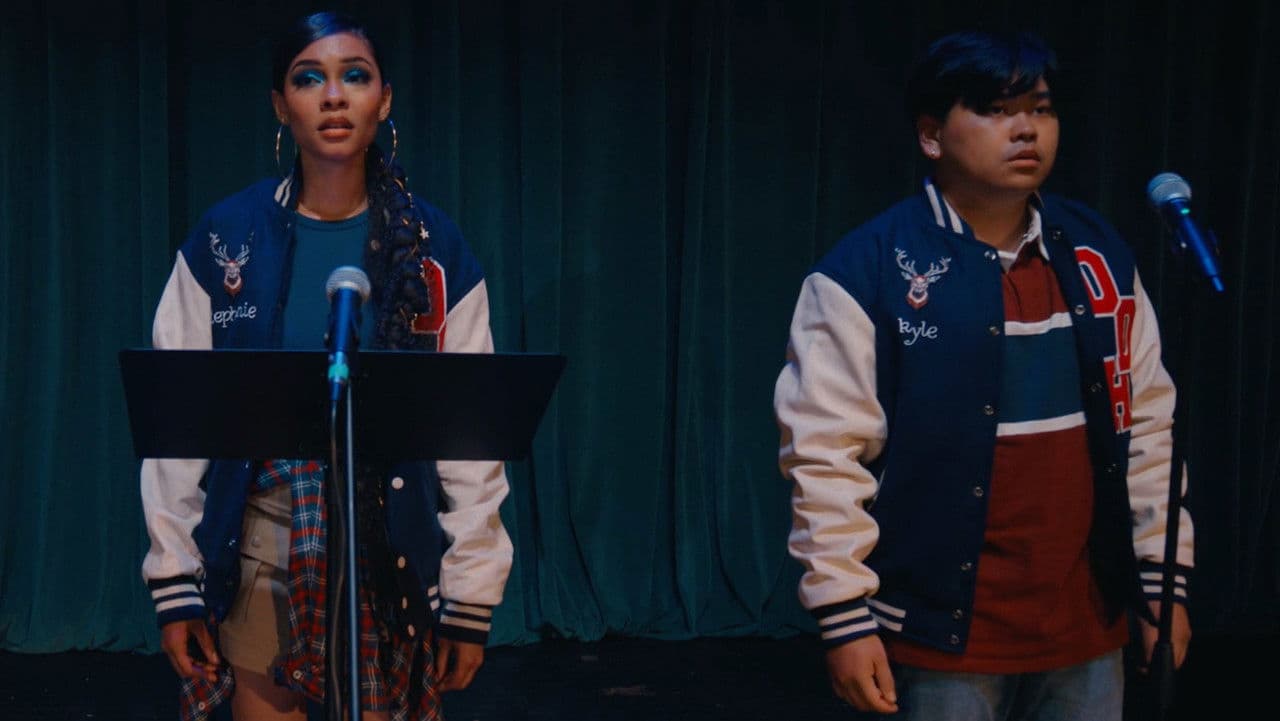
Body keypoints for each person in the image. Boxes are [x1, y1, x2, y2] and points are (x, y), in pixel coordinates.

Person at [773, 30, 1193, 720]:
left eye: (1041, 108)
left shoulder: (1098, 254)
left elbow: (1145, 421)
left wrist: (1160, 580)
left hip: (1086, 622)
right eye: (996, 110)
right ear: (932, 134)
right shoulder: (867, 268)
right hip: (940, 632)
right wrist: (843, 614)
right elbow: (824, 454)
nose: (1026, 129)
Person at [139, 11, 513, 721]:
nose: (334, 96)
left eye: (355, 77)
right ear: (282, 105)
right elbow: (179, 424)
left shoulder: (435, 247)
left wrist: (471, 593)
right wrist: (175, 579)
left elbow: (468, 436)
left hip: (390, 546)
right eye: (309, 79)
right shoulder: (227, 237)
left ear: (384, 100)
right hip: (264, 545)